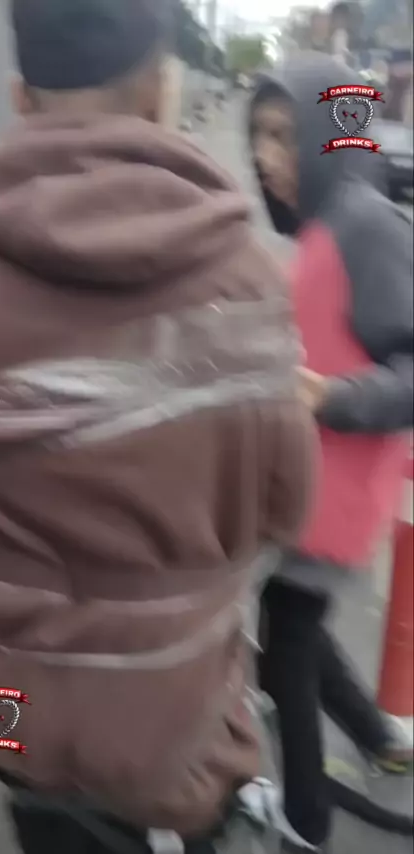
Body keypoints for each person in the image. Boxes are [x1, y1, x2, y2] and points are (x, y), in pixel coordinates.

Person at [0, 2, 315, 853]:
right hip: (180, 718)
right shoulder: (250, 280)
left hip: (8, 711)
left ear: (19, 97)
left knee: (38, 811)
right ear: (160, 91)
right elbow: (288, 510)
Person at [248, 53, 414, 851]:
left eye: (284, 135)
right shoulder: (327, 223)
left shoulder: (366, 224)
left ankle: (305, 823)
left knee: (282, 645)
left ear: (326, 133)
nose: (265, 157)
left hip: (337, 492)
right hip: (312, 483)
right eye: (258, 136)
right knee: (294, 628)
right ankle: (381, 739)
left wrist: (333, 398)